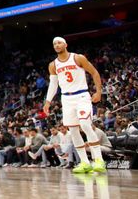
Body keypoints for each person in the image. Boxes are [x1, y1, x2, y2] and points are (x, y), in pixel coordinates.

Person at [43, 36, 106, 174]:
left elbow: (95, 73)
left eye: (59, 42)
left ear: (65, 44)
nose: (57, 45)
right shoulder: (53, 65)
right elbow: (54, 84)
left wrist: (98, 92)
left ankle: (99, 160)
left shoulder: (78, 58)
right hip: (66, 99)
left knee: (84, 124)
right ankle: (85, 163)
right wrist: (48, 101)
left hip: (82, 95)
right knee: (73, 131)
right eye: (54, 43)